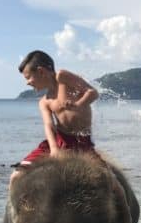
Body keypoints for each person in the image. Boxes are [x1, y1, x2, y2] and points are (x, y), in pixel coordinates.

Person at [10, 50, 100, 185]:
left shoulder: (62, 77)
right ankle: (13, 206)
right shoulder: (44, 102)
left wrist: (78, 104)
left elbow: (93, 92)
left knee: (111, 183)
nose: (27, 83)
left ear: (41, 71)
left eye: (28, 77)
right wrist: (54, 149)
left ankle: (125, 205)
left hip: (82, 142)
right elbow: (49, 125)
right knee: (16, 176)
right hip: (58, 141)